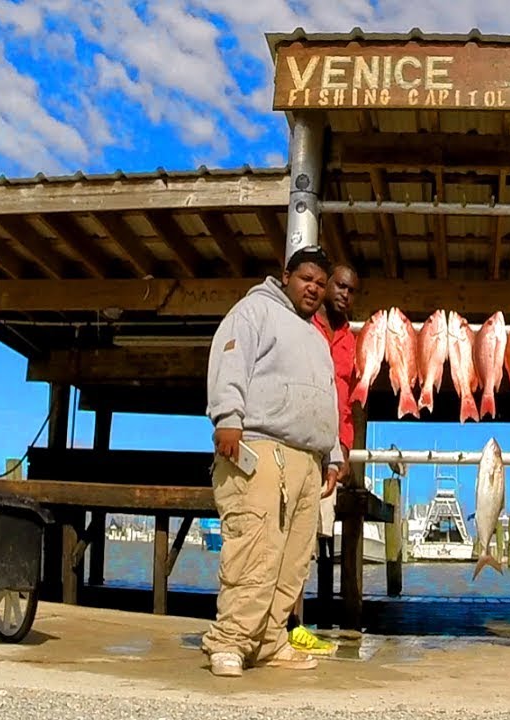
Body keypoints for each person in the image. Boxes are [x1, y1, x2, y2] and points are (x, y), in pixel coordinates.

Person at [201, 245, 343, 678]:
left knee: (293, 560)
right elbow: (230, 359)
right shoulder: (254, 311)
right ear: (286, 276)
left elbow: (328, 397)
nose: (314, 289)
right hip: (261, 447)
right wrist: (228, 417)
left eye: (321, 284)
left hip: (308, 460)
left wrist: (333, 455)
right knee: (255, 550)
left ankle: (269, 640)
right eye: (307, 280)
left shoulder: (318, 338)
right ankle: (229, 641)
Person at [283, 264, 360, 656]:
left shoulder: (350, 339)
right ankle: (278, 625)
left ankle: (294, 627)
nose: (345, 293)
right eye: (340, 285)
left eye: (352, 290)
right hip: (294, 442)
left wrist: (344, 449)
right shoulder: (300, 323)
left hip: (328, 454)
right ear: (326, 286)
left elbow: (346, 403)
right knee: (281, 537)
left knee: (308, 542)